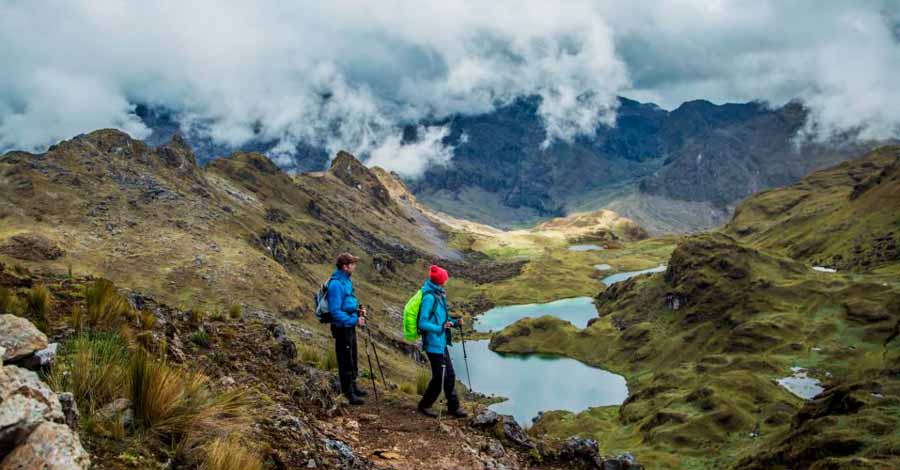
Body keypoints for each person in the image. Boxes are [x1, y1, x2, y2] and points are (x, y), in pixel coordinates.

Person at [417, 264, 468, 418]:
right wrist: (440, 328)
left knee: (449, 375)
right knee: (439, 377)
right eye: (445, 279)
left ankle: (453, 407)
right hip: (433, 344)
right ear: (440, 280)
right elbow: (422, 323)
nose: (446, 281)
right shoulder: (429, 297)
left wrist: (453, 322)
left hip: (441, 343)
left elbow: (442, 320)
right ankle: (424, 405)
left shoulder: (439, 295)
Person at [328, 252, 368, 405]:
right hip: (342, 328)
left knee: (352, 357)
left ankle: (353, 386)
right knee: (345, 360)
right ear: (345, 267)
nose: (355, 266)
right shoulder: (336, 284)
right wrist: (354, 319)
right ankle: (348, 393)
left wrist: (357, 310)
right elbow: (335, 311)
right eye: (352, 264)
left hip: (349, 326)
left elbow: (347, 303)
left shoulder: (346, 281)